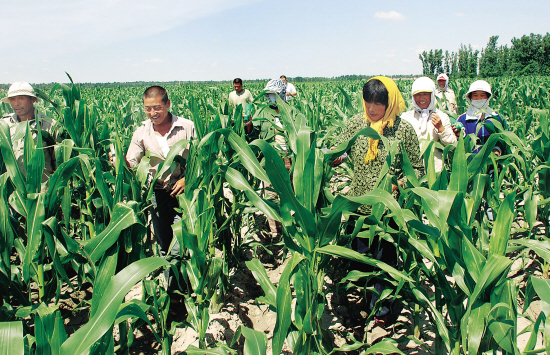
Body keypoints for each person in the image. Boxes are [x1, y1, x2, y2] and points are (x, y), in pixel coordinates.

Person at [331, 76, 423, 322]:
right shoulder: (355, 124)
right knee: (360, 262)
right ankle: (361, 308)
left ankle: (382, 312)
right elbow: (338, 149)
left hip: (387, 213)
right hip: (357, 208)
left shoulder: (403, 130)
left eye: (378, 103)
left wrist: (398, 184)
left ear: (390, 102)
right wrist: (335, 157)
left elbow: (419, 170)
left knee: (384, 262)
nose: (372, 108)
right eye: (368, 101)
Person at [125, 86, 196, 255]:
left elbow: (201, 157)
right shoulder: (141, 133)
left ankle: (185, 279)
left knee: (182, 243)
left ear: (168, 104)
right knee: (164, 242)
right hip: (156, 195)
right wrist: (119, 162)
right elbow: (132, 163)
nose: (152, 113)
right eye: (147, 109)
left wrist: (188, 179)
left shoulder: (186, 127)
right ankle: (171, 278)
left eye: (157, 107)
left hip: (184, 192)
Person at [1, 82, 56, 186]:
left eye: (21, 98)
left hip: (42, 194)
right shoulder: (4, 125)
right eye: (12, 99)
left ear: (32, 100)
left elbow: (59, 161)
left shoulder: (49, 125)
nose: (16, 103)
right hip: (14, 195)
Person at [401, 77, 457, 172]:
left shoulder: (442, 117)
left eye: (425, 94)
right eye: (417, 94)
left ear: (432, 95)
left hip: (436, 171)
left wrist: (441, 129)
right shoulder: (406, 118)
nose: (421, 98)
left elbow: (453, 146)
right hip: (411, 172)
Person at [454, 80, 508, 156]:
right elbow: (457, 144)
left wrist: (497, 150)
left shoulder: (496, 117)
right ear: (470, 97)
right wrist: (459, 135)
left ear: (488, 97)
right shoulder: (463, 119)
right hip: (471, 163)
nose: (478, 98)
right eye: (475, 95)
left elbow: (504, 139)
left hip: (493, 163)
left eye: (482, 95)